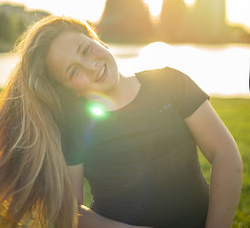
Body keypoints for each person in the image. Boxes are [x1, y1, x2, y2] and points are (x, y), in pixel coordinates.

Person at [0, 15, 242, 228]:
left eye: (85, 50)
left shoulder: (170, 83)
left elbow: (224, 154)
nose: (90, 67)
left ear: (99, 41)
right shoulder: (75, 124)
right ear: (69, 90)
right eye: (73, 72)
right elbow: (70, 210)